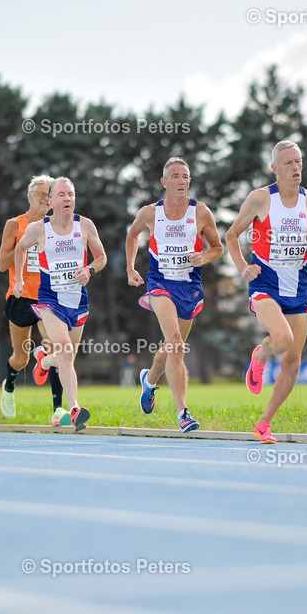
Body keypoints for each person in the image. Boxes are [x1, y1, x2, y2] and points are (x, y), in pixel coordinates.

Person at [224, 140, 307, 444]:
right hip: (265, 281)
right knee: (282, 341)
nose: (296, 168)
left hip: (298, 282)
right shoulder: (260, 199)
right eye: (288, 163)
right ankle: (260, 354)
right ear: (274, 169)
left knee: (293, 361)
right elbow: (232, 235)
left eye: (298, 162)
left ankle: (264, 424)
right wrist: (242, 266)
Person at [125, 156, 224, 433]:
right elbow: (132, 235)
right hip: (160, 284)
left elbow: (217, 247)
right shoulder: (150, 212)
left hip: (189, 287)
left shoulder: (201, 212)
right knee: (176, 343)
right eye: (175, 176)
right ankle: (183, 413)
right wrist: (131, 267)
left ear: (189, 181)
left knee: (171, 347)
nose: (181, 181)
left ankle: (150, 379)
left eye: (185, 176)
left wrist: (204, 257)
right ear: (164, 182)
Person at [14, 177, 107, 432]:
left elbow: (101, 257)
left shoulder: (85, 225)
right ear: (51, 200)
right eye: (62, 195)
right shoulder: (38, 229)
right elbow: (20, 249)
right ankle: (75, 408)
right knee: (65, 350)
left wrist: (89, 269)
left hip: (77, 300)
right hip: (49, 300)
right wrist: (19, 279)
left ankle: (43, 362)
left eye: (71, 194)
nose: (67, 199)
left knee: (67, 357)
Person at [0, 175, 69, 425]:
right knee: (21, 357)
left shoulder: (57, 225)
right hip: (20, 298)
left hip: (48, 299)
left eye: (49, 194)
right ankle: (9, 385)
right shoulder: (15, 224)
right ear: (29, 196)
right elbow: (1, 264)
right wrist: (22, 247)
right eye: (40, 193)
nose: (45, 197)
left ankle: (58, 409)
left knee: (55, 347)